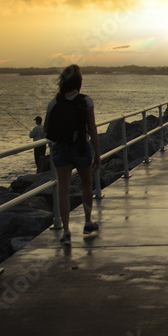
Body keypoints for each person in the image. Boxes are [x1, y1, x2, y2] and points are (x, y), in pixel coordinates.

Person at [45, 64, 101, 246]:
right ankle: (87, 222)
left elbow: (46, 129)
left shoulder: (54, 102)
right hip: (81, 148)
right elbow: (92, 128)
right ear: (79, 82)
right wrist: (98, 152)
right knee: (86, 186)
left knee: (63, 189)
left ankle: (66, 231)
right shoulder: (86, 101)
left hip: (60, 149)